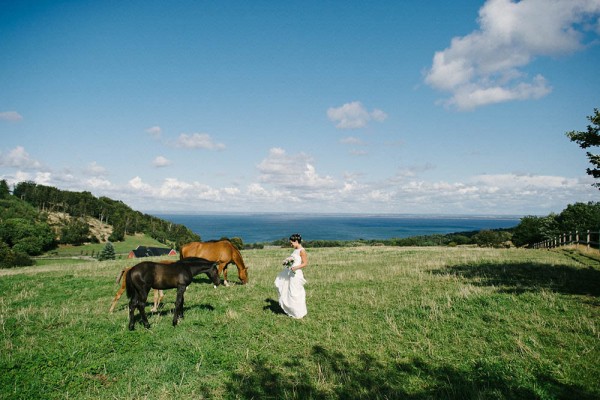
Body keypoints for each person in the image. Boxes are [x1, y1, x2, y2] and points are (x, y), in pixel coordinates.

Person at [274, 233, 308, 319]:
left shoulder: (302, 250)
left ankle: (298, 312)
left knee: (295, 292)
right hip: (291, 273)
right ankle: (291, 310)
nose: (291, 244)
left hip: (296, 274)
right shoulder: (295, 250)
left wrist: (295, 268)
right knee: (289, 290)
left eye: (291, 243)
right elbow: (293, 259)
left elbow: (305, 263)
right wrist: (287, 262)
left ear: (296, 241)